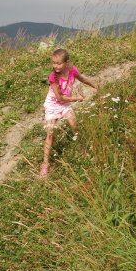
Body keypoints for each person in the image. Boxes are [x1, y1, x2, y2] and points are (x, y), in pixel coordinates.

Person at [40, 48, 98, 178]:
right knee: (50, 134)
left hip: (65, 104)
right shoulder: (52, 77)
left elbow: (82, 79)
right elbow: (60, 98)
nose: (55, 66)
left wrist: (95, 86)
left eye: (58, 63)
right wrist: (77, 98)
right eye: (53, 63)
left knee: (74, 124)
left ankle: (83, 149)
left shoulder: (72, 70)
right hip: (53, 106)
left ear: (67, 62)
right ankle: (45, 164)